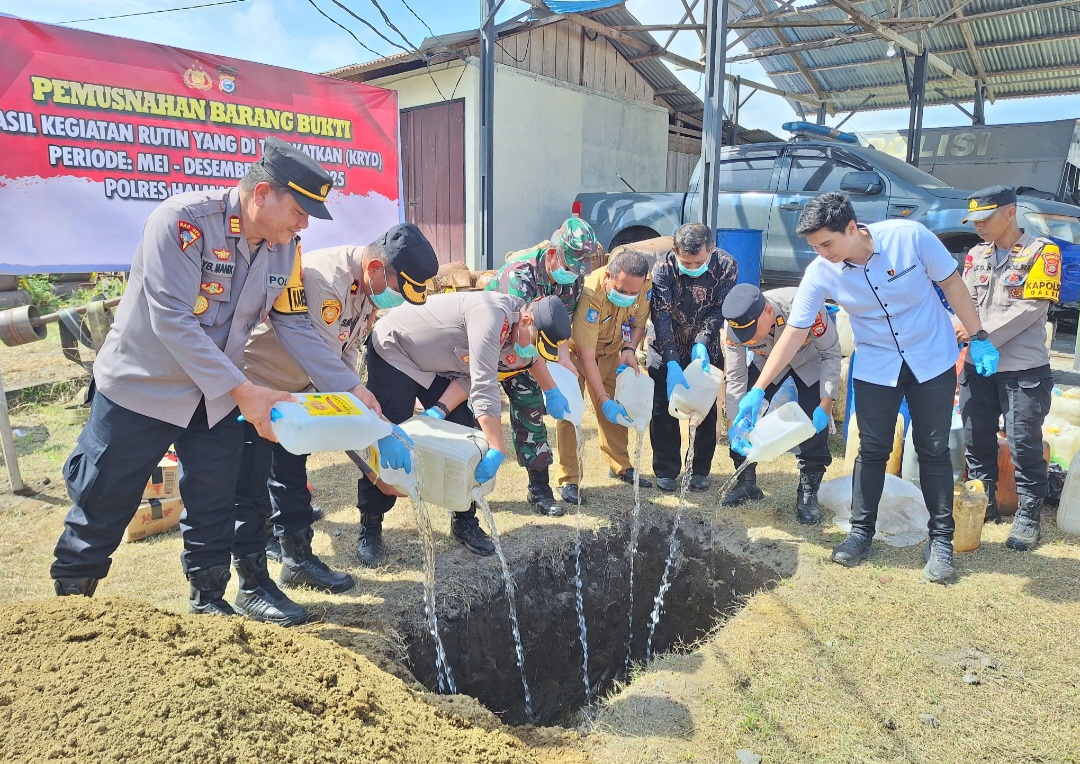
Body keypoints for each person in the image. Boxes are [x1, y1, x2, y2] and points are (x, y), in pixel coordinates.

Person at [51, 137, 382, 614]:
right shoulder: (182, 222)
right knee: (102, 499)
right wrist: (244, 391)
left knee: (216, 500)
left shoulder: (285, 251)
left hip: (216, 396)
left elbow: (292, 324)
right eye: (300, 210)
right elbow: (173, 320)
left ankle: (209, 601)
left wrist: (351, 385)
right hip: (142, 390)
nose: (305, 223)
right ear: (262, 194)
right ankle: (67, 615)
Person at [731, 192, 998, 584]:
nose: (821, 253)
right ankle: (861, 533)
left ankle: (941, 540)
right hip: (877, 365)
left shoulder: (911, 238)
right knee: (871, 450)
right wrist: (759, 388)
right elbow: (794, 333)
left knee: (934, 449)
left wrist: (978, 335)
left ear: (852, 228)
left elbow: (954, 285)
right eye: (814, 246)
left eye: (827, 243)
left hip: (932, 357)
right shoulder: (822, 271)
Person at [228, 223, 440, 624]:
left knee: (290, 475)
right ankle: (251, 585)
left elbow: (344, 354)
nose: (394, 299)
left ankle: (298, 560)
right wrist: (366, 418)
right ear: (376, 266)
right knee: (251, 487)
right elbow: (323, 361)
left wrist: (364, 413)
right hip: (256, 388)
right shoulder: (325, 279)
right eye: (397, 285)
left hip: (300, 392)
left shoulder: (368, 291)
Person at [356, 292, 572, 563]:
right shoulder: (491, 316)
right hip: (396, 350)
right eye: (535, 344)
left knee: (464, 431)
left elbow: (474, 374)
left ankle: (464, 519)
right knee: (390, 437)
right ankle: (371, 525)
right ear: (527, 320)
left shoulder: (516, 334)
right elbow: (483, 386)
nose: (531, 354)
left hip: (440, 364)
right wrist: (496, 447)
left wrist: (442, 409)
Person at [958, 185, 1060, 551]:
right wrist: (964, 333)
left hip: (1023, 369)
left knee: (1023, 443)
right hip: (978, 367)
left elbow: (1031, 309)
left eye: (985, 218)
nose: (979, 226)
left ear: (1010, 212)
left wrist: (982, 336)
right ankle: (982, 503)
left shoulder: (1042, 252)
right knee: (976, 437)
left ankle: (1029, 513)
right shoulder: (976, 254)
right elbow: (964, 301)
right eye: (974, 220)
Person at [485, 218, 599, 515]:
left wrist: (563, 358)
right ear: (552, 254)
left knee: (531, 407)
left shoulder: (573, 277)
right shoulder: (519, 275)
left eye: (579, 268)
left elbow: (561, 324)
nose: (574, 273)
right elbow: (521, 338)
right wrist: (549, 383)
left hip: (525, 349)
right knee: (475, 416)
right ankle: (467, 496)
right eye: (571, 265)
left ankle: (539, 489)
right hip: (491, 346)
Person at [722, 284, 840, 523]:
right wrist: (734, 423)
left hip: (810, 362)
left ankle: (808, 492)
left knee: (812, 423)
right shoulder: (733, 327)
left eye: (754, 333)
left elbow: (831, 353)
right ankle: (746, 481)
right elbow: (735, 377)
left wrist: (826, 404)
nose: (751, 339)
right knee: (744, 416)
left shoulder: (806, 306)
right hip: (767, 367)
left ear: (766, 311)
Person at [555, 249, 653, 504]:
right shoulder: (590, 293)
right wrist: (601, 398)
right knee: (571, 413)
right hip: (576, 356)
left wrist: (630, 349)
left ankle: (620, 464)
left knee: (617, 408)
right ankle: (569, 479)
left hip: (612, 352)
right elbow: (586, 357)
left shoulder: (644, 285)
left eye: (634, 293)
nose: (629, 296)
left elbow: (637, 323)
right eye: (623, 290)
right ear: (609, 275)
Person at [648, 222, 738, 492]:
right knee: (663, 408)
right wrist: (672, 359)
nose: (691, 266)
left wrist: (701, 343)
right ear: (674, 250)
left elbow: (720, 309)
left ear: (711, 249)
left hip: (705, 346)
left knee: (705, 409)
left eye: (697, 261)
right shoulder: (662, 268)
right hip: (666, 345)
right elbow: (661, 315)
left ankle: (700, 469)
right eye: (685, 260)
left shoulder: (726, 265)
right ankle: (666, 469)